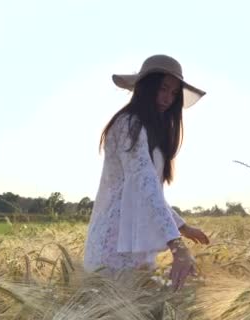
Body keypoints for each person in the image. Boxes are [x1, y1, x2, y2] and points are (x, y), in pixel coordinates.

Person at [83, 54, 210, 291]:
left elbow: (151, 193)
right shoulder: (128, 124)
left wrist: (183, 227)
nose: (167, 99)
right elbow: (143, 185)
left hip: (134, 247)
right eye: (163, 89)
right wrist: (177, 246)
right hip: (113, 246)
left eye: (174, 94)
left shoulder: (148, 129)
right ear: (147, 87)